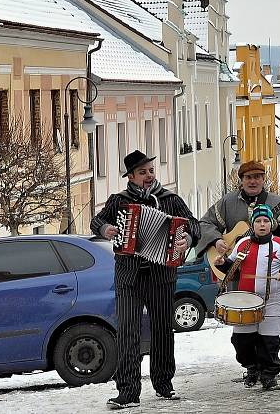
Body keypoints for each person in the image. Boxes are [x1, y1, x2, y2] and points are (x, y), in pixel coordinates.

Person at [90, 150, 199, 410]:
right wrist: (106, 229)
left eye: (151, 170)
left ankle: (164, 384)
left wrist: (186, 240)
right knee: (128, 332)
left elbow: (194, 225)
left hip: (161, 275)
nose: (149, 176)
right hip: (129, 277)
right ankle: (127, 391)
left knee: (163, 330)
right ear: (131, 176)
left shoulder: (170, 200)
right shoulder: (119, 201)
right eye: (143, 172)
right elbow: (97, 221)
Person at [213, 205, 280, 391]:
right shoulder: (243, 244)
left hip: (272, 300)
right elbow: (232, 270)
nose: (262, 224)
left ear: (271, 224)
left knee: (269, 341)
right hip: (246, 301)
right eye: (258, 221)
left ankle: (268, 375)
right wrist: (222, 263)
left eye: (265, 221)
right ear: (252, 224)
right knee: (242, 342)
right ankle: (252, 368)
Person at [199, 160, 280, 261]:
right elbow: (205, 223)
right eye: (248, 177)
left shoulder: (276, 201)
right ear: (241, 180)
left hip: (269, 263)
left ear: (263, 179)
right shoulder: (228, 201)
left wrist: (277, 227)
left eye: (257, 177)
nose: (252, 181)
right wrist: (216, 240)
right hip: (233, 266)